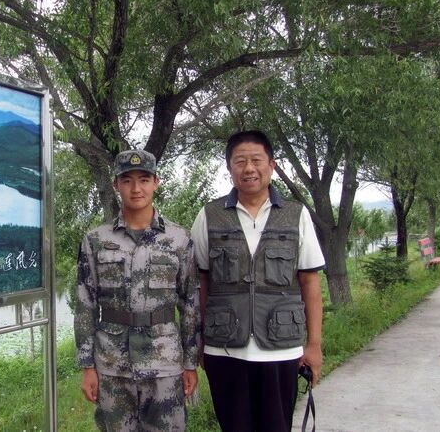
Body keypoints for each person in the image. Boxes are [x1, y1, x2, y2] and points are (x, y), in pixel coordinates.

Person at [191, 131, 324, 432]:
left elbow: (310, 282)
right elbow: (201, 282)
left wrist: (314, 345)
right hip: (224, 350)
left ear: (271, 165)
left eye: (256, 160)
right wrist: (200, 342)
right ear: (229, 168)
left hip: (282, 349)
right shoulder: (209, 215)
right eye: (240, 161)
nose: (249, 168)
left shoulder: (296, 214)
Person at [75, 149, 201, 432]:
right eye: (127, 180)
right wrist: (87, 366)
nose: (136, 188)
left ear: (156, 182)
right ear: (115, 184)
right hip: (112, 365)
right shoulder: (95, 240)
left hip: (165, 364)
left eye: (144, 179)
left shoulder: (179, 239)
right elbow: (85, 304)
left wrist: (190, 363)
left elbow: (190, 304)